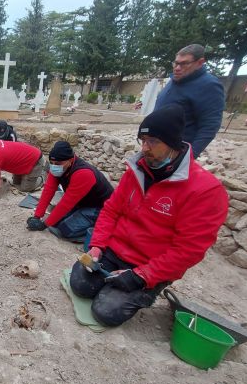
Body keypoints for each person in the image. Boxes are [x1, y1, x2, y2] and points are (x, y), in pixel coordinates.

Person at [69, 104, 228, 327]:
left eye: (153, 141)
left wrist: (143, 275)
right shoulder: (137, 171)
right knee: (80, 284)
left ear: (173, 143)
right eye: (143, 141)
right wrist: (97, 246)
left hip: (149, 263)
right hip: (114, 251)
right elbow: (111, 210)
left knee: (105, 312)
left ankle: (149, 290)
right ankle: (114, 279)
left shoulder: (205, 190)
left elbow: (188, 250)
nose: (145, 148)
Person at [26, 141, 113, 241]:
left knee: (64, 231)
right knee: (55, 223)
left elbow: (66, 204)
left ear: (71, 160)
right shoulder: (58, 168)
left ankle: (98, 233)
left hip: (101, 208)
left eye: (58, 163)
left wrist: (44, 225)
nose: (54, 166)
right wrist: (37, 216)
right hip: (83, 203)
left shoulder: (83, 174)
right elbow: (48, 190)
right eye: (52, 163)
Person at [154, 44, 225, 158]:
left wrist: (189, 156)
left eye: (184, 64)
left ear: (200, 63)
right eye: (176, 63)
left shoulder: (209, 85)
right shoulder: (176, 80)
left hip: (175, 152)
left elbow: (210, 126)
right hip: (155, 146)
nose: (177, 68)